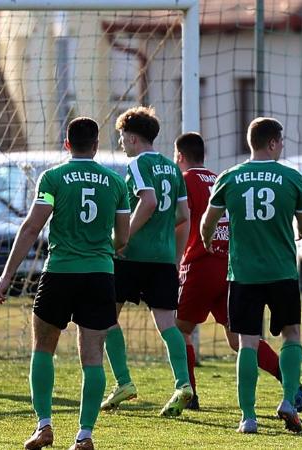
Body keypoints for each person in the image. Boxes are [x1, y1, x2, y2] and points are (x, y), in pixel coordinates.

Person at [0, 117, 131, 450]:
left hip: (60, 272)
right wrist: (99, 250)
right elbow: (123, 238)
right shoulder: (115, 182)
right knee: (93, 357)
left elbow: (31, 228)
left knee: (42, 348)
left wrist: (6, 276)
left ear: (67, 144)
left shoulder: (53, 178)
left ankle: (43, 426)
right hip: (99, 275)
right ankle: (84, 434)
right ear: (96, 145)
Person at [173, 132, 302, 412]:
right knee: (238, 338)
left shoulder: (188, 180)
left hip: (201, 263)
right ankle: (286, 376)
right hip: (229, 264)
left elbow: (184, 219)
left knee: (178, 329)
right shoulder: (214, 176)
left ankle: (190, 393)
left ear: (180, 156)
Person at [201, 117, 302, 434]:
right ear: (273, 142)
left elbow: (208, 223)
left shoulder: (230, 177)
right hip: (281, 272)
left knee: (247, 343)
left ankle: (248, 418)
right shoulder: (291, 177)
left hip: (244, 274)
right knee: (292, 334)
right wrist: (297, 235)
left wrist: (208, 241)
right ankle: (288, 400)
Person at [100, 106, 194, 417]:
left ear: (132, 137)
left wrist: (122, 238)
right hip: (163, 259)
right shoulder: (171, 168)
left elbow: (149, 201)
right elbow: (184, 217)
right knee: (168, 326)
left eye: (122, 137)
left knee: (106, 318)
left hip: (130, 256)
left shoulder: (137, 163)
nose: (121, 142)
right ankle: (182, 384)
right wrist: (176, 256)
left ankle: (124, 382)